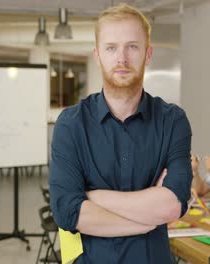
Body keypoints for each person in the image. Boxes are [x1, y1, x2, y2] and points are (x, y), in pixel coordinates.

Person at [49, 4, 193, 263]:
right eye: (111, 47)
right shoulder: (71, 124)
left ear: (148, 54)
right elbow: (69, 213)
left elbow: (173, 204)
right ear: (97, 55)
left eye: (132, 47)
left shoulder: (172, 120)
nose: (122, 59)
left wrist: (93, 198)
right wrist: (146, 222)